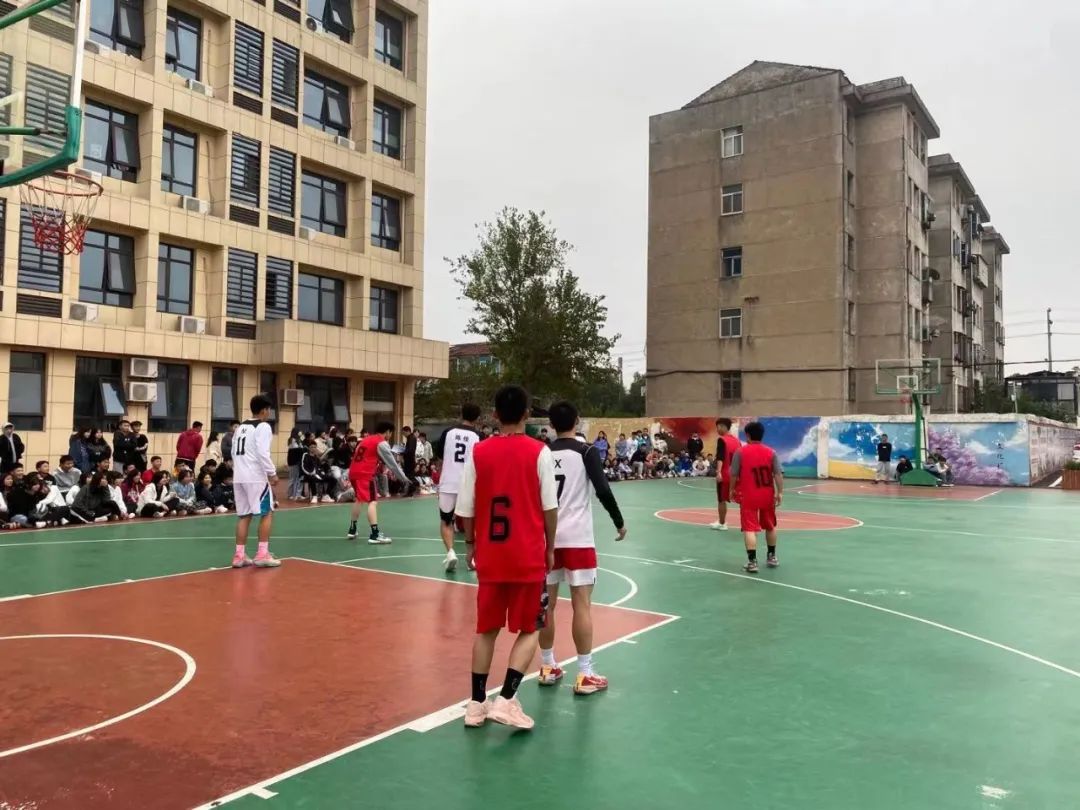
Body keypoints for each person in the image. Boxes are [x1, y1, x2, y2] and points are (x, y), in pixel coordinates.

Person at [456, 385, 558, 731]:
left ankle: (476, 704)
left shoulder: (479, 452)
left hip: (491, 555)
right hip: (527, 554)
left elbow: (466, 507)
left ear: (495, 414)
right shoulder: (539, 451)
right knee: (531, 628)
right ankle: (507, 699)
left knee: (486, 629)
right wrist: (550, 546)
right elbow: (549, 507)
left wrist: (470, 544)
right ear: (527, 414)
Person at [537, 401, 626, 696]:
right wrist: (619, 522)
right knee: (581, 605)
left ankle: (547, 667)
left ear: (551, 424)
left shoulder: (542, 452)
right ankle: (585, 673)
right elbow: (602, 489)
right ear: (577, 420)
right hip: (577, 538)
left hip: (547, 539)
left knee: (546, 605)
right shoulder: (586, 451)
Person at [231, 395, 280, 569]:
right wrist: (272, 473)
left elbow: (233, 452)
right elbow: (262, 452)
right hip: (255, 477)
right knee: (267, 513)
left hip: (239, 476)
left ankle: (239, 556)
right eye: (269, 410)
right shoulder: (263, 426)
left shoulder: (240, 427)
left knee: (244, 515)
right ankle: (262, 554)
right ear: (264, 410)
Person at [433, 403, 482, 572]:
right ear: (477, 418)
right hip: (468, 483)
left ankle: (450, 552)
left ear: (461, 414)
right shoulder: (478, 436)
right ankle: (470, 557)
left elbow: (440, 457)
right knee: (470, 521)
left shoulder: (448, 432)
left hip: (448, 481)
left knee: (446, 521)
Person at [730, 421, 783, 573]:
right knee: (770, 525)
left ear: (747, 435)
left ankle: (752, 562)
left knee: (749, 528)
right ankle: (772, 557)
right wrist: (780, 492)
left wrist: (731, 489)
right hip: (767, 494)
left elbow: (734, 474)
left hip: (748, 495)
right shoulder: (771, 452)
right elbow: (778, 474)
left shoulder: (740, 452)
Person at [346, 422, 410, 543]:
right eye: (391, 433)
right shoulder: (381, 442)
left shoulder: (365, 440)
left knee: (359, 499)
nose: (390, 435)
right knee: (373, 502)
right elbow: (392, 463)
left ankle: (352, 529)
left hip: (353, 472)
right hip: (365, 474)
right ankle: (375, 535)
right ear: (387, 431)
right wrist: (403, 477)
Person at [711, 417, 742, 531]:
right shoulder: (737, 441)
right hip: (737, 475)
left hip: (725, 474)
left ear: (723, 426)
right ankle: (747, 523)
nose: (717, 429)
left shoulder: (722, 440)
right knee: (742, 500)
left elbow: (720, 457)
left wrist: (718, 472)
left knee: (721, 500)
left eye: (718, 427)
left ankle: (722, 523)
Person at [401, 426, 418, 496]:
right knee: (409, 476)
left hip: (409, 461)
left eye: (404, 433)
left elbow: (410, 450)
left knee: (409, 476)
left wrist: (402, 452)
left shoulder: (411, 438)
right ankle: (410, 491)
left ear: (408, 431)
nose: (403, 435)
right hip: (409, 460)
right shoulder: (411, 438)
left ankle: (412, 488)